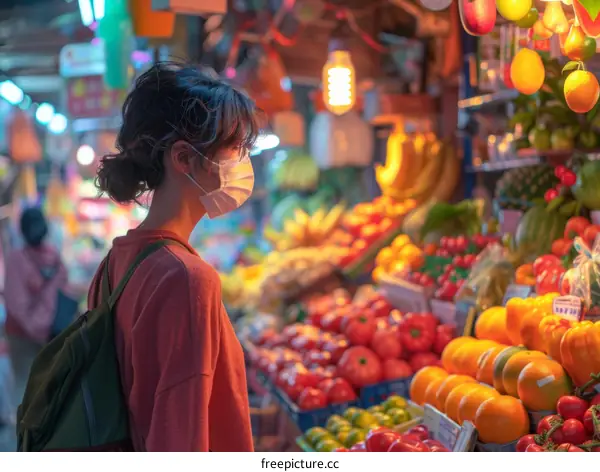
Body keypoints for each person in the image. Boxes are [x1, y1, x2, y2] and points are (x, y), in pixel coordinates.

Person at [87, 62, 259, 452]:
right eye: (235, 148)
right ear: (183, 158)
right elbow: (180, 439)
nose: (242, 161)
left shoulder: (115, 264)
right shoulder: (187, 279)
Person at [4, 207, 68, 405]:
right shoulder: (56, 259)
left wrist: (33, 325)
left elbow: (15, 304)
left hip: (20, 335)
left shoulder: (15, 259)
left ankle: (23, 434)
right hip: (51, 334)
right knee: (50, 389)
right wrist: (45, 324)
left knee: (24, 387)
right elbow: (62, 293)